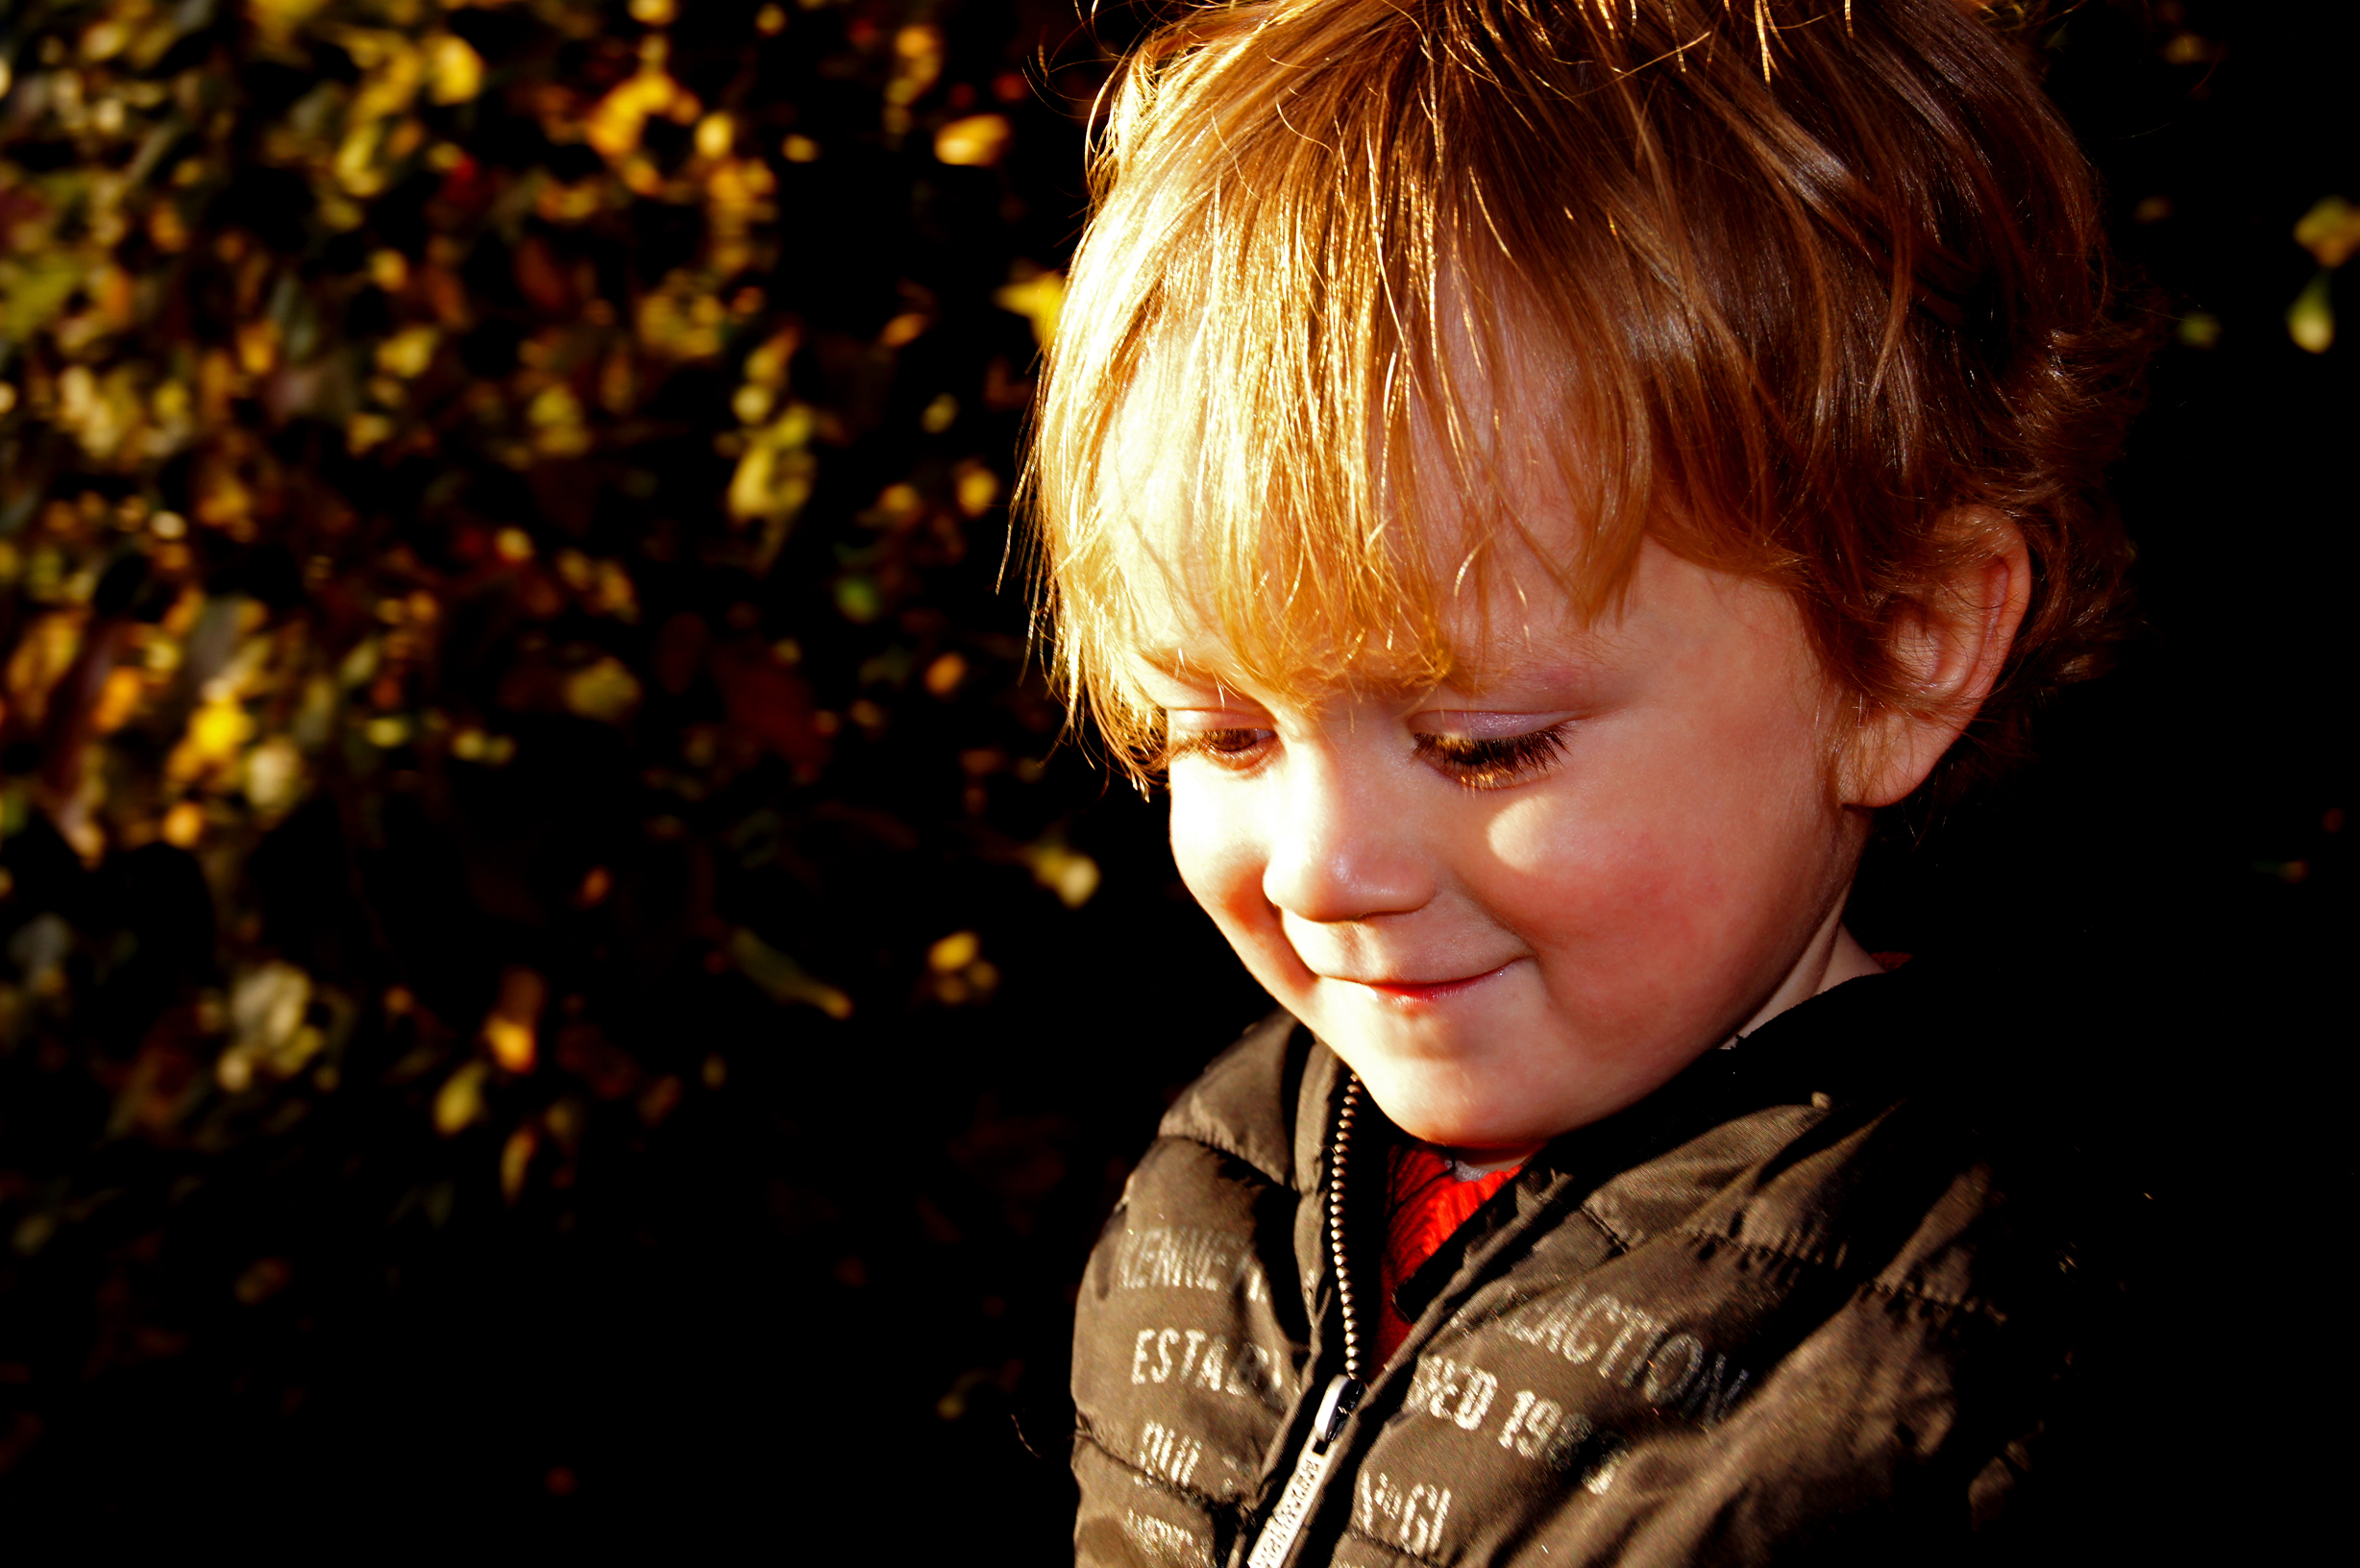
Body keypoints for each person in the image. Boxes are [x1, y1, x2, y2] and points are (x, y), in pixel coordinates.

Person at [1022, 1, 2153, 1562]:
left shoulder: (1987, 1360)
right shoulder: (1222, 1191)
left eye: (1481, 743)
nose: (1319, 868)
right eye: (1224, 735)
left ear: (1901, 651)